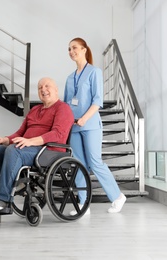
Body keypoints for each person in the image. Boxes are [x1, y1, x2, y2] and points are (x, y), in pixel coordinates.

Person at [0, 77, 74, 211]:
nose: (43, 90)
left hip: (49, 152)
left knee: (13, 150)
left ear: (56, 90)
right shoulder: (34, 110)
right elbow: (20, 133)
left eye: (47, 86)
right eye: (40, 87)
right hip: (27, 149)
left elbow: (58, 134)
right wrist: (5, 139)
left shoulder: (63, 108)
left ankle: (4, 200)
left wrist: (30, 141)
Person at [64, 37, 126, 214]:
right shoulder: (69, 78)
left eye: (74, 48)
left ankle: (117, 197)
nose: (71, 51)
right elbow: (67, 103)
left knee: (95, 162)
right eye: (69, 49)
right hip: (74, 127)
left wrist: (84, 118)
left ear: (84, 49)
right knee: (78, 164)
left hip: (90, 125)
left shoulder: (94, 72)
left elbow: (97, 101)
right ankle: (83, 204)